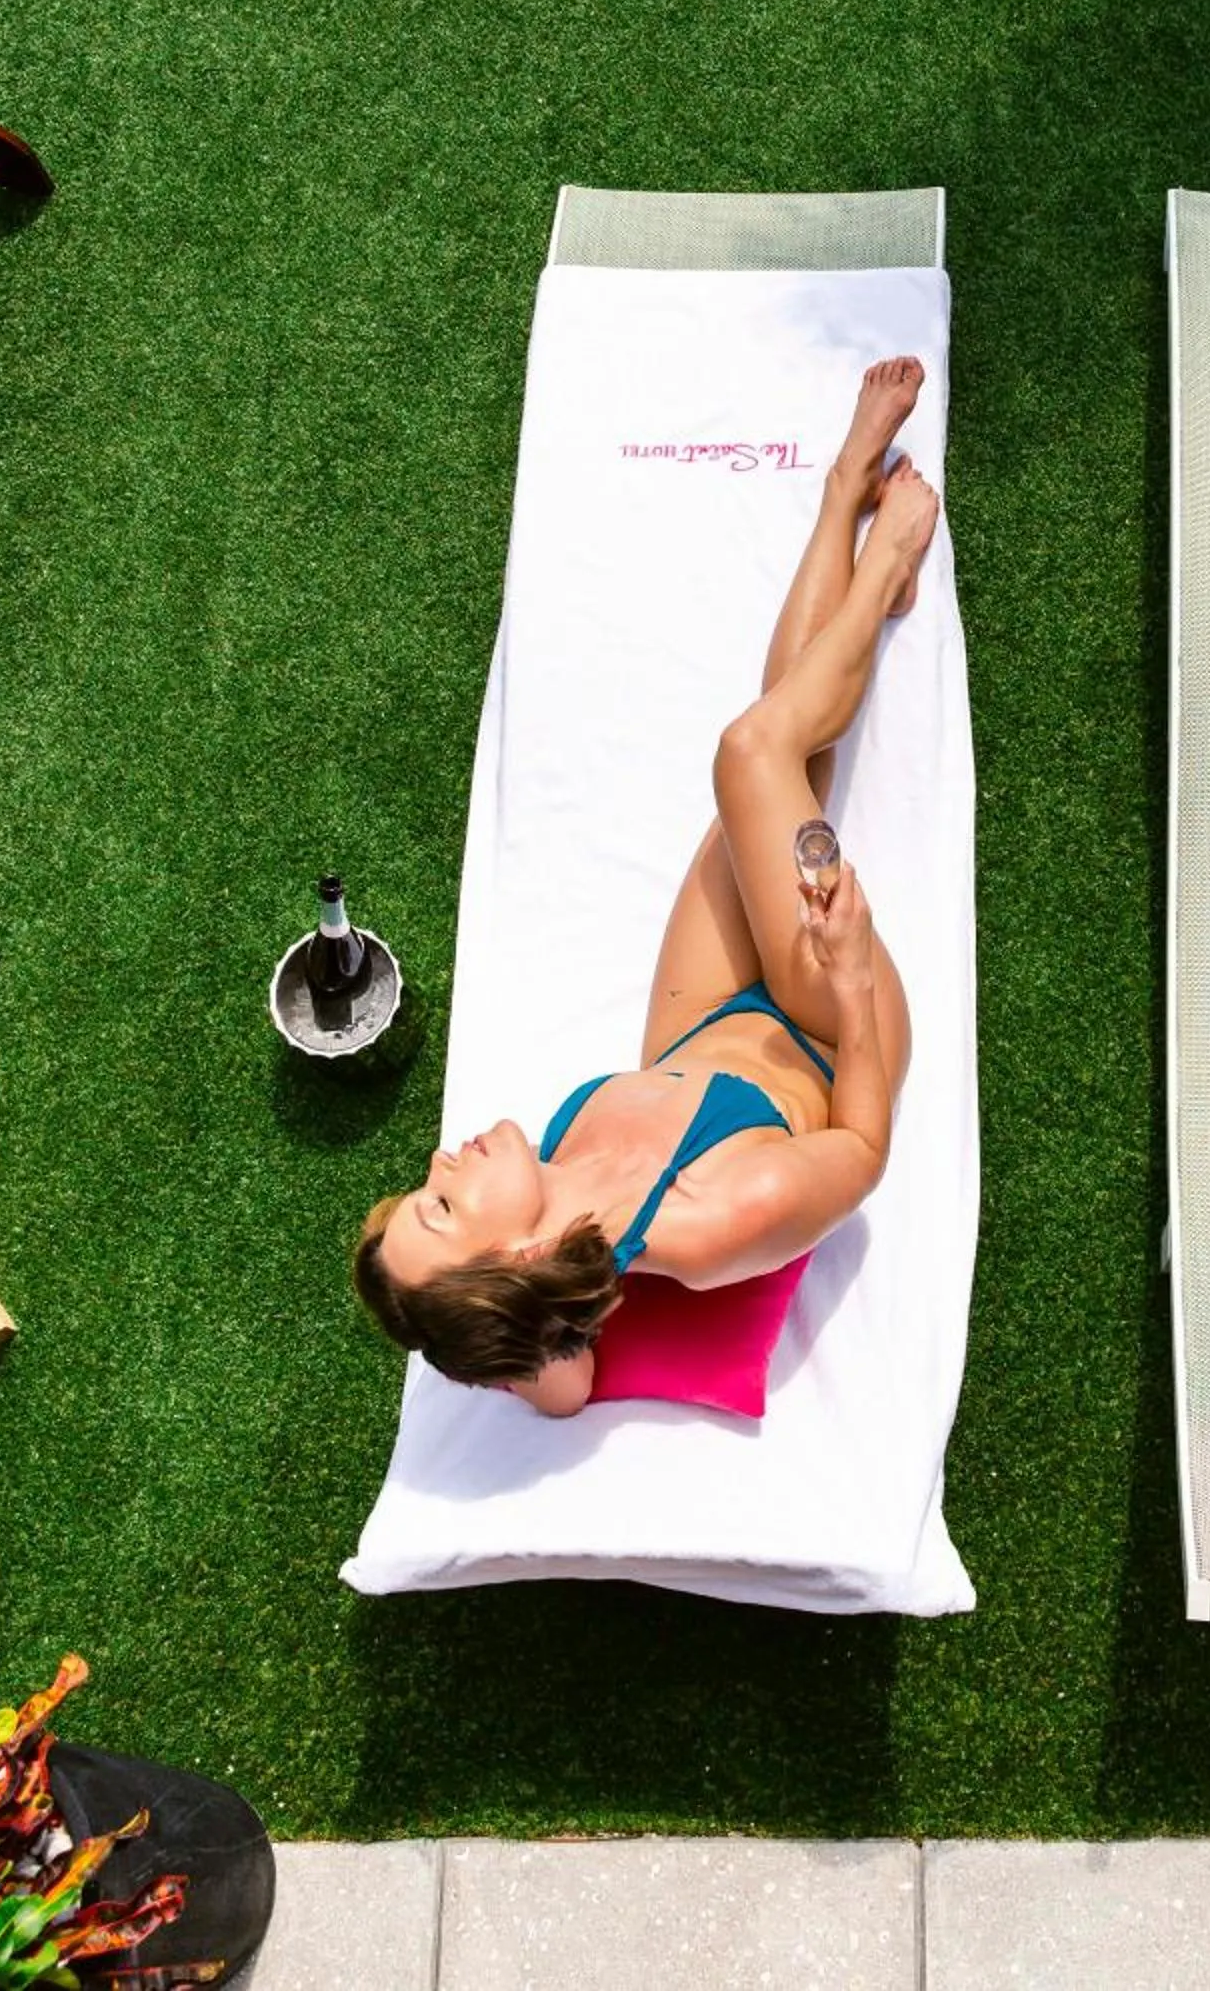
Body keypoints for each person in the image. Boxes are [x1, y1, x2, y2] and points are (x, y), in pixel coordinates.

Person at [353, 357, 938, 1417]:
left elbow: (561, 1392)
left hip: (699, 1031)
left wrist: (519, 1351)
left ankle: (843, 504)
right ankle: (876, 550)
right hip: (827, 1029)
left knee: (779, 764)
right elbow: (858, 1154)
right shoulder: (709, 1223)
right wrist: (849, 979)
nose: (440, 1159)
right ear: (517, 1251)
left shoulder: (549, 1236)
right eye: (443, 1202)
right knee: (755, 751)